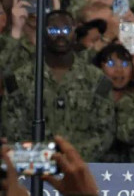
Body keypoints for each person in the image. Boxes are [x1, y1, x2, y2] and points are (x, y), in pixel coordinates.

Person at [2, 10, 116, 161]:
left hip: (83, 168)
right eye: (53, 30)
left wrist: (71, 157)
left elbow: (105, 132)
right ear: (43, 33)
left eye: (66, 30)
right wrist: (44, 158)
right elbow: (12, 130)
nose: (61, 35)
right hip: (34, 167)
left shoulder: (96, 80)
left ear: (75, 33)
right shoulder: (20, 79)